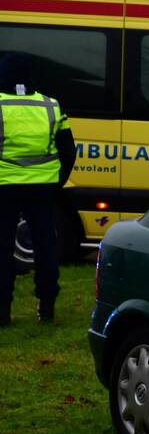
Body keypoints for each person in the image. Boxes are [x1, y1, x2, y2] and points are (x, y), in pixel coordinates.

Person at [0, 53, 77, 325]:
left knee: (3, 249)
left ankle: (3, 312)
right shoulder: (51, 106)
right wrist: (55, 183)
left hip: (4, 187)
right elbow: (68, 151)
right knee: (46, 248)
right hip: (42, 189)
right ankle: (46, 308)